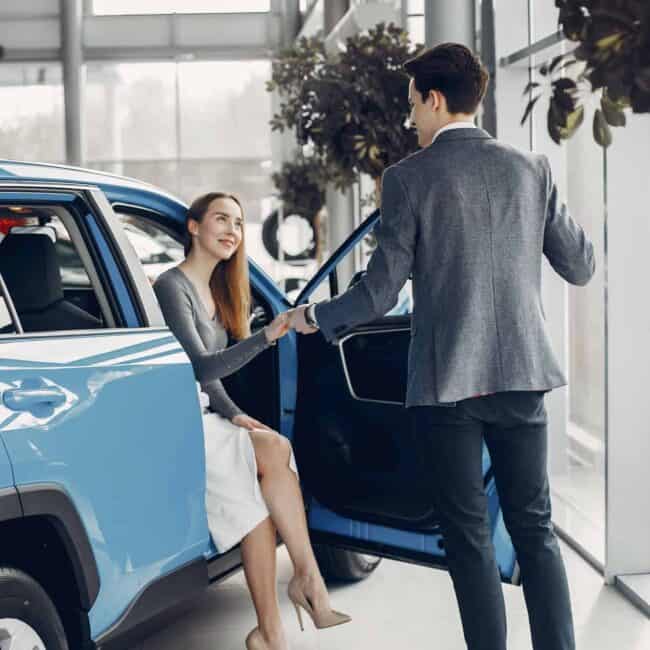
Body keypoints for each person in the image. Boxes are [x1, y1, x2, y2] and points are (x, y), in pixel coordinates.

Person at [289, 43, 595, 650]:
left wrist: (314, 316)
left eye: (411, 107)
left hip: (447, 387)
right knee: (535, 531)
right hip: (522, 378)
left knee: (468, 537)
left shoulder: (409, 178)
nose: (411, 120)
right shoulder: (532, 169)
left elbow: (377, 295)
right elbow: (581, 266)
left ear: (434, 99)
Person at [153, 192, 350, 650]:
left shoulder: (218, 289)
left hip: (205, 414)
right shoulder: (171, 286)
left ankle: (270, 633)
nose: (232, 231)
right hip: (177, 419)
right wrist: (267, 336)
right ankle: (309, 582)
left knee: (258, 506)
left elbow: (209, 383)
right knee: (277, 449)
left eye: (239, 223)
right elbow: (200, 368)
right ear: (193, 227)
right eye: (221, 219)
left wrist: (237, 415)